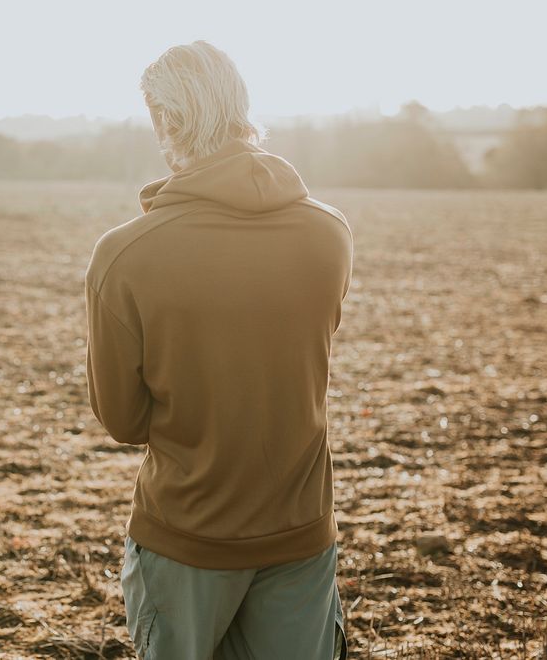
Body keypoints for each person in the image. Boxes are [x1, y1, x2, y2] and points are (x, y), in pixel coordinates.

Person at [83, 40, 353, 659]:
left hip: (187, 538)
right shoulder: (329, 233)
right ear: (242, 110)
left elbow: (122, 421)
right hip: (302, 533)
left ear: (166, 122)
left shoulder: (125, 255)